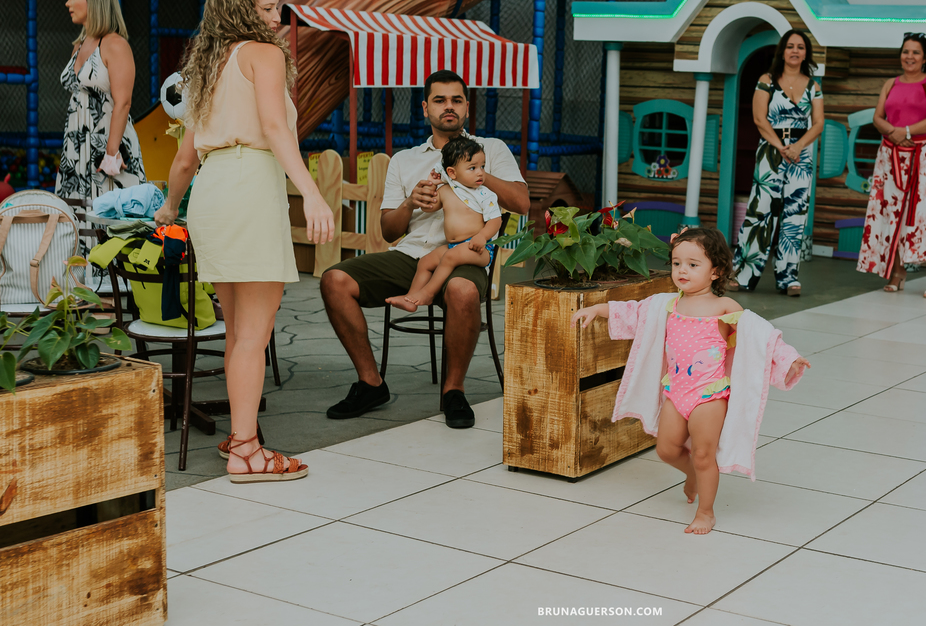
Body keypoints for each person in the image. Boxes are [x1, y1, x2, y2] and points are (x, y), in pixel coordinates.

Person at [155, 0, 336, 482]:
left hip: (212, 193)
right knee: (253, 336)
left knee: (238, 333)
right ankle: (247, 452)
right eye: (266, 8)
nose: (276, 17)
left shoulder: (204, 68)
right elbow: (277, 129)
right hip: (251, 189)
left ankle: (240, 437)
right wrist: (312, 193)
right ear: (240, 9)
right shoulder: (264, 54)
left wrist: (170, 207)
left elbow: (187, 156)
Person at [321, 70, 529, 427]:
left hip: (467, 255)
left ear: (467, 106)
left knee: (462, 290)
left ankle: (454, 392)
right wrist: (410, 204)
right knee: (334, 280)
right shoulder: (404, 159)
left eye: (456, 99)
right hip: (412, 255)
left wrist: (472, 168)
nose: (448, 106)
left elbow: (522, 202)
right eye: (439, 100)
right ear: (425, 108)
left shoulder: (491, 149)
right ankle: (371, 382)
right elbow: (388, 231)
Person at [574, 228, 809, 535]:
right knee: (667, 449)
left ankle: (706, 512)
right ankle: (694, 475)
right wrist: (598, 309)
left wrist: (789, 357)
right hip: (676, 390)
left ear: (717, 271)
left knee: (702, 454)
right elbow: (634, 313)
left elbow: (762, 337)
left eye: (693, 264)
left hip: (709, 394)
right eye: (676, 263)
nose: (682, 270)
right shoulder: (666, 304)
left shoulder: (727, 309)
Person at [730, 29, 824, 296]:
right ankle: (744, 274)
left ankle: (788, 278)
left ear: (806, 53)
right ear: (782, 51)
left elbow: (818, 124)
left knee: (795, 214)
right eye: (790, 46)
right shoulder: (766, 80)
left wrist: (797, 147)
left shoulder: (813, 86)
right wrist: (781, 146)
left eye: (801, 47)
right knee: (760, 213)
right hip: (771, 150)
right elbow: (760, 119)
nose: (795, 51)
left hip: (800, 154)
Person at [856, 33, 926, 298]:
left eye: (915, 52)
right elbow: (877, 116)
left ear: (925, 56)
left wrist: (904, 131)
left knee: (920, 212)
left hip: (919, 154)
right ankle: (898, 271)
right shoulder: (890, 83)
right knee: (888, 210)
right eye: (905, 51)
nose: (909, 57)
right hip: (889, 154)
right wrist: (893, 132)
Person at [56, 0, 147, 200]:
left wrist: (111, 153)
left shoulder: (115, 45)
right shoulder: (78, 46)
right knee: (76, 218)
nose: (67, 3)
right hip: (76, 145)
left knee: (110, 216)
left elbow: (123, 101)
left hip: (107, 144)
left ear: (93, 1)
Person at [390, 136, 502, 312]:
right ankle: (410, 298)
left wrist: (482, 237)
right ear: (451, 173)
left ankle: (428, 293)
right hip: (454, 246)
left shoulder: (484, 195)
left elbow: (496, 220)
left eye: (482, 166)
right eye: (472, 168)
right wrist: (432, 185)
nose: (480, 172)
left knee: (449, 257)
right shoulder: (446, 190)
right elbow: (428, 208)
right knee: (426, 262)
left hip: (479, 248)